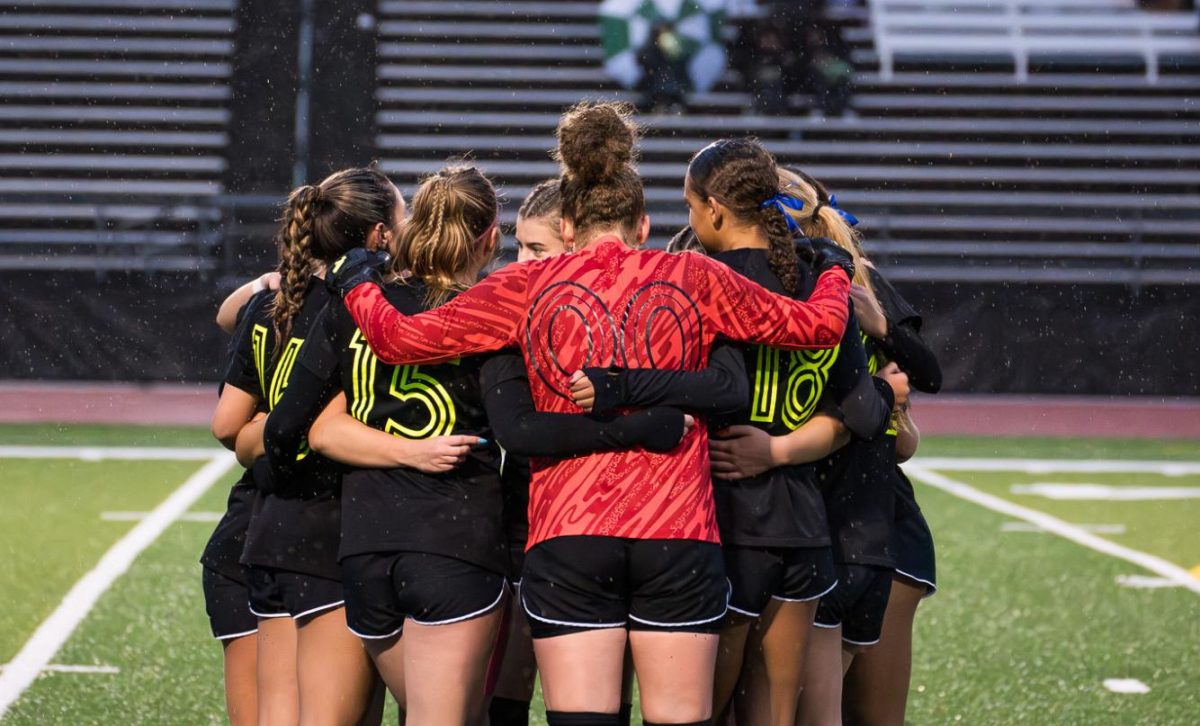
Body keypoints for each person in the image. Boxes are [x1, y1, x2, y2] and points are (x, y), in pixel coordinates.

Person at [324, 101, 855, 725]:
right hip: (676, 529)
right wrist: (836, 271)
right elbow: (818, 328)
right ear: (643, 222)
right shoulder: (694, 273)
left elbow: (400, 340)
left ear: (568, 225)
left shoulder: (524, 286)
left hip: (569, 530)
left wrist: (358, 279)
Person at [566, 138, 899, 726]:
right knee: (773, 713)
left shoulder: (699, 279)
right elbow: (866, 414)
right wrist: (784, 448)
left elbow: (708, 390)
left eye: (691, 206)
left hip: (716, 517)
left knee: (697, 713)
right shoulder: (819, 280)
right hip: (802, 524)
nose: (690, 220)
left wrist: (617, 386)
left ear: (715, 210)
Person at [231, 167, 400, 726]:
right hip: (329, 525)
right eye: (403, 219)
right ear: (379, 236)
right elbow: (325, 425)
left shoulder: (276, 300)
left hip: (269, 524)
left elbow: (229, 426)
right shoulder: (363, 308)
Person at [772, 167, 936, 726]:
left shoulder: (857, 280)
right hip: (806, 521)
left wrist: (885, 352)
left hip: (864, 525)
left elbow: (910, 404)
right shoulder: (752, 281)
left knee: (860, 714)